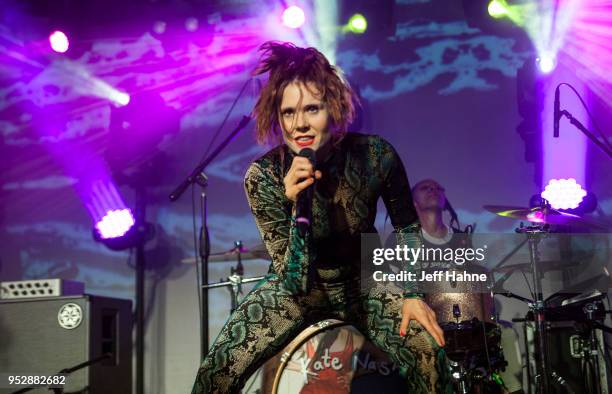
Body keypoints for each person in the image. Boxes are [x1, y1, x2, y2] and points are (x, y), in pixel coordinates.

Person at [192, 41, 450, 394]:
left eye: (311, 109)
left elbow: (406, 226)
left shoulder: (376, 155)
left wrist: (411, 292)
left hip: (364, 280)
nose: (299, 124)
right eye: (287, 113)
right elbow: (295, 280)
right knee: (215, 374)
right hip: (295, 290)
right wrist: (295, 201)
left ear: (334, 108)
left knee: (429, 353)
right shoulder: (263, 175)